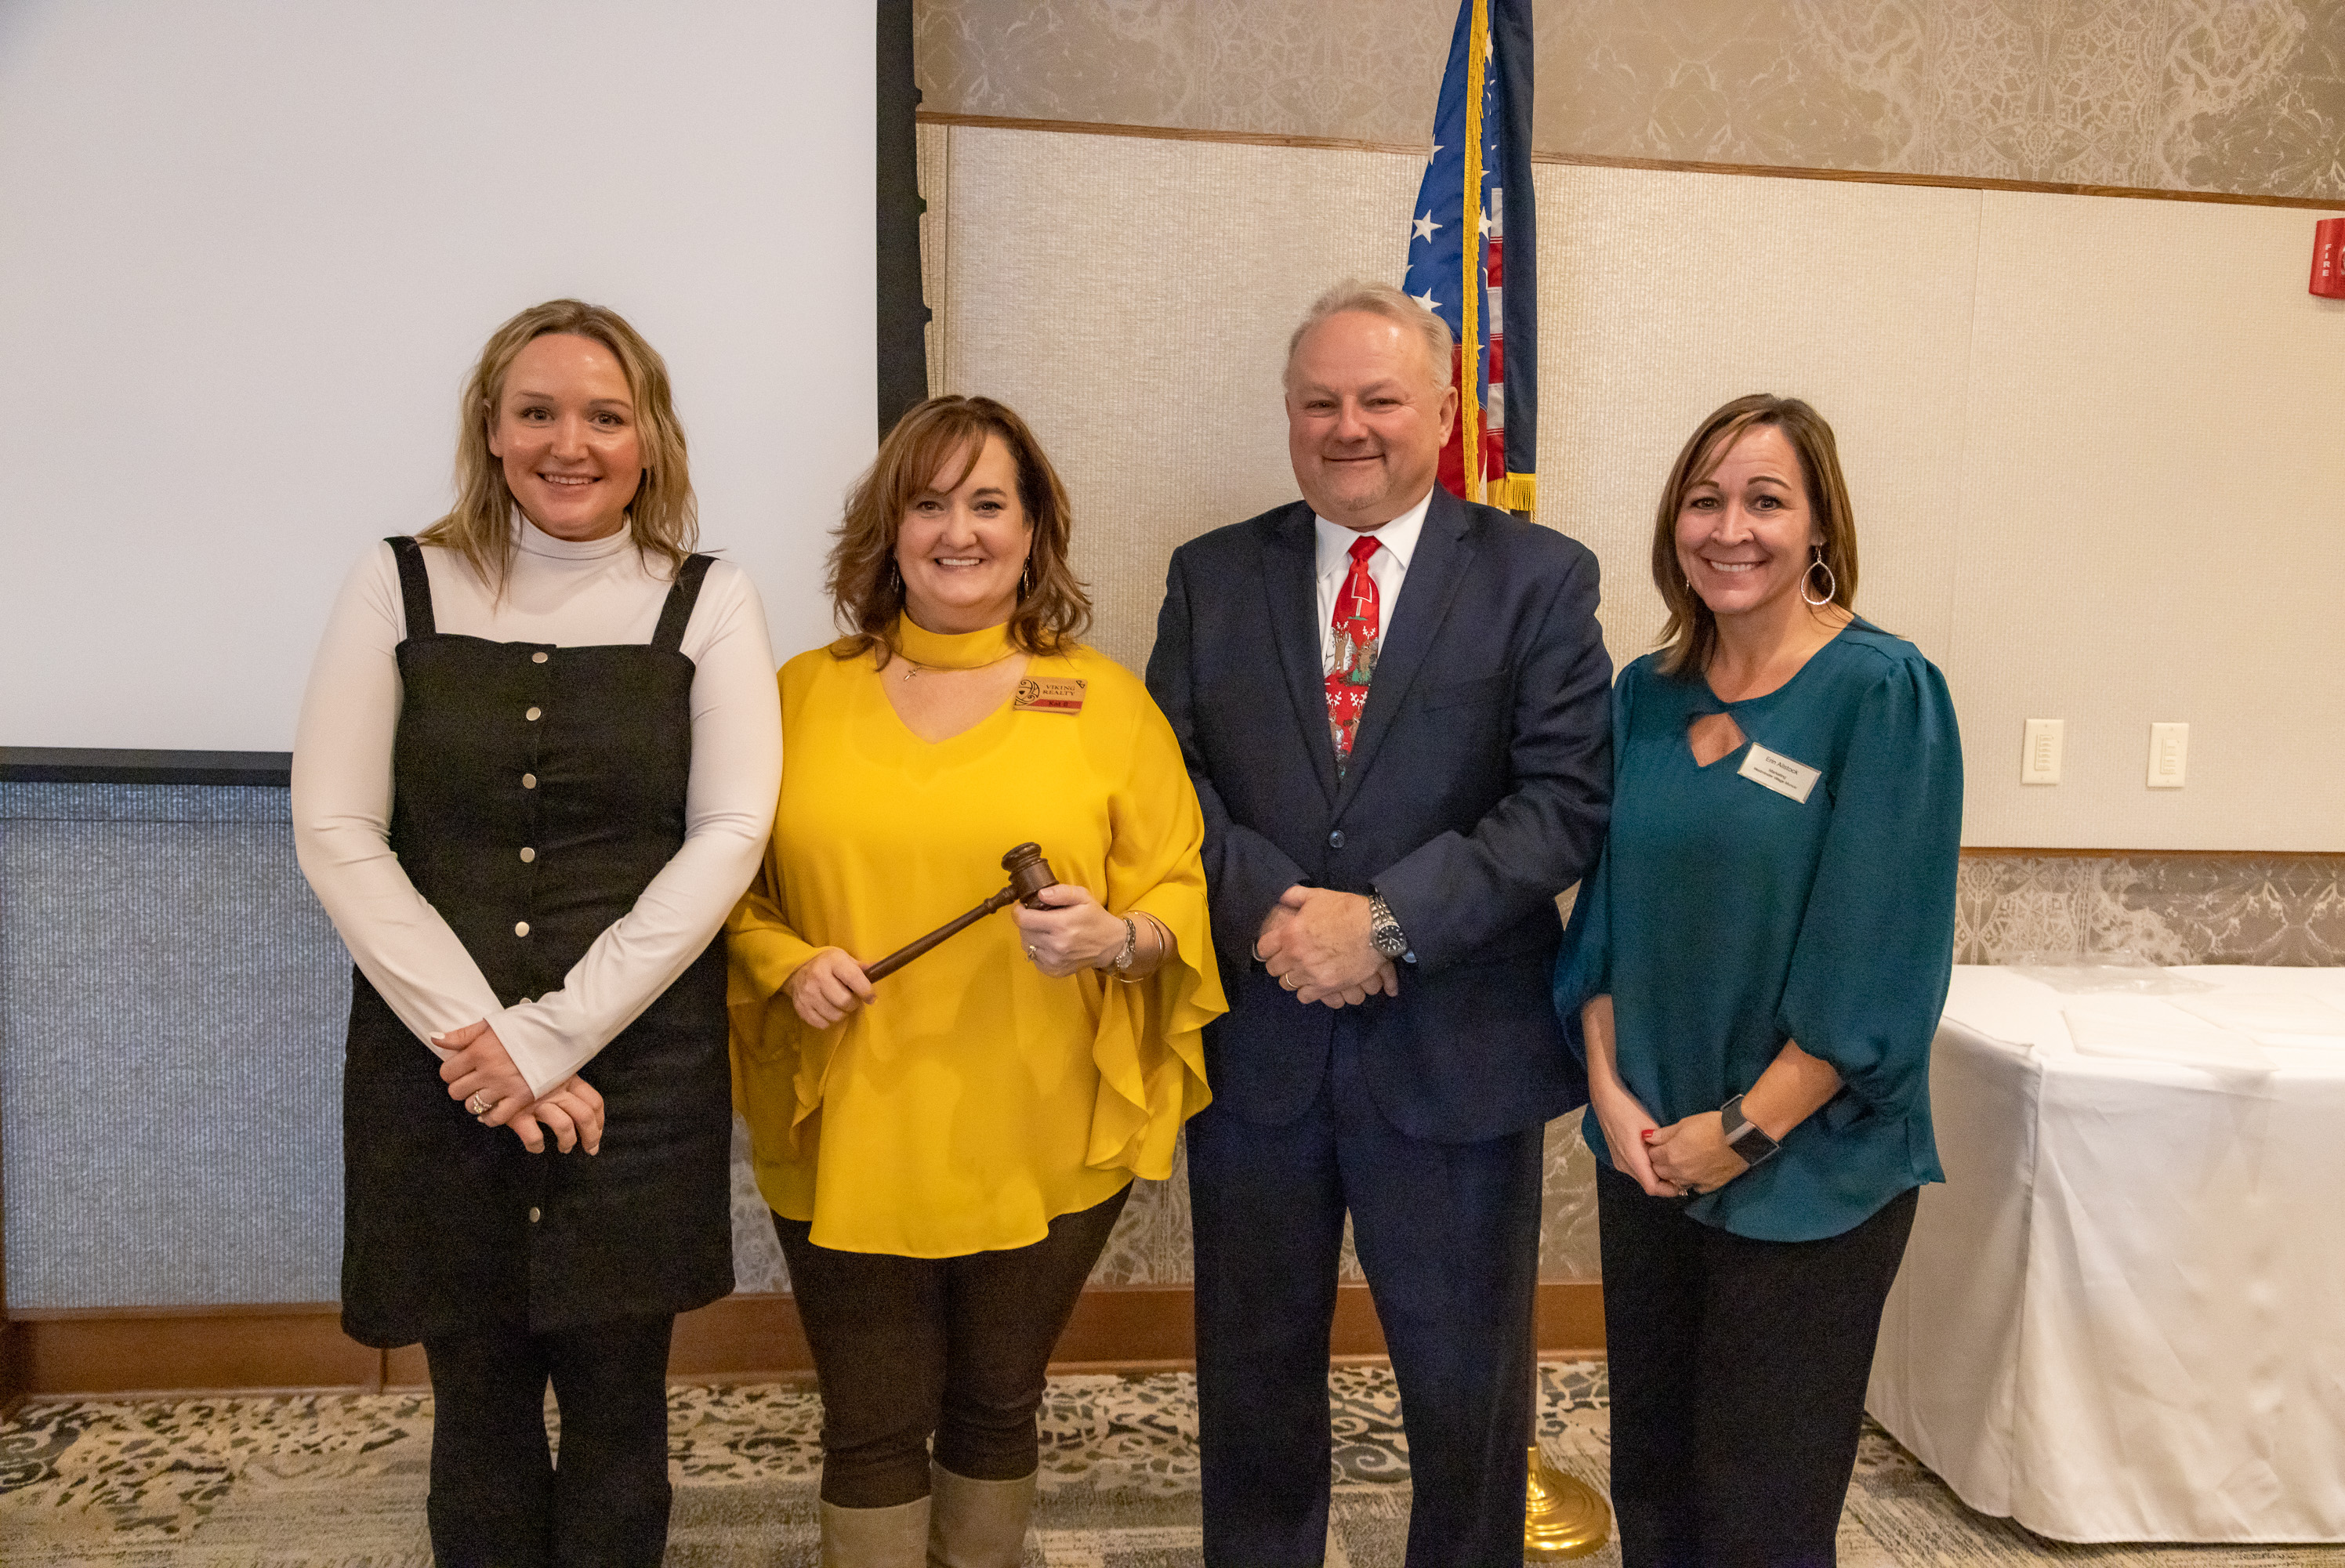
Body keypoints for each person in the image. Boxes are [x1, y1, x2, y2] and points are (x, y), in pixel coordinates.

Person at [292, 299, 781, 1566]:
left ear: (649, 437)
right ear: (492, 430)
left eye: (606, 415)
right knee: (478, 1412)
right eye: (538, 412)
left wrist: (552, 1037)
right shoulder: (397, 580)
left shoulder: (712, 600)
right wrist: (491, 1045)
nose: (572, 443)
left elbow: (728, 835)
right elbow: (337, 828)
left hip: (637, 1071)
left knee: (621, 1410)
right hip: (438, 1065)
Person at [1144, 279, 1614, 1566]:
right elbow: (1165, 779)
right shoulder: (1211, 575)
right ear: (1289, 415)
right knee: (1252, 1379)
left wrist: (1387, 924)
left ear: (1445, 411)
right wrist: (1277, 912)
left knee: (1468, 1394)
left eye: (1379, 399)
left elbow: (1565, 800)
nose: (1347, 426)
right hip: (1262, 1050)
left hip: (1455, 1055)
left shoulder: (1538, 578)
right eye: (1319, 402)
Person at [726, 395, 1224, 1567]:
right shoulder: (794, 696)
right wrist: (786, 963)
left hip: (1042, 1124)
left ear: (1033, 528)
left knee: (999, 1400)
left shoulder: (1105, 702)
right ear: (889, 530)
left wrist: (1116, 937)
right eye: (929, 503)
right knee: (870, 1418)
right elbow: (725, 888)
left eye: (988, 503)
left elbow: (1180, 891)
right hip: (850, 1119)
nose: (960, 531)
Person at [1553, 393, 1963, 1566]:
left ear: (1820, 525)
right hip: (1650, 1157)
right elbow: (1608, 921)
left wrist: (1740, 1131)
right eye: (1705, 500)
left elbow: (1877, 952)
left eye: (1766, 501)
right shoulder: (1646, 692)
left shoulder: (1882, 691)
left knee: (1760, 1516)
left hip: (1807, 1171)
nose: (1730, 529)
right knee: (1655, 1487)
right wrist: (1613, 1100)